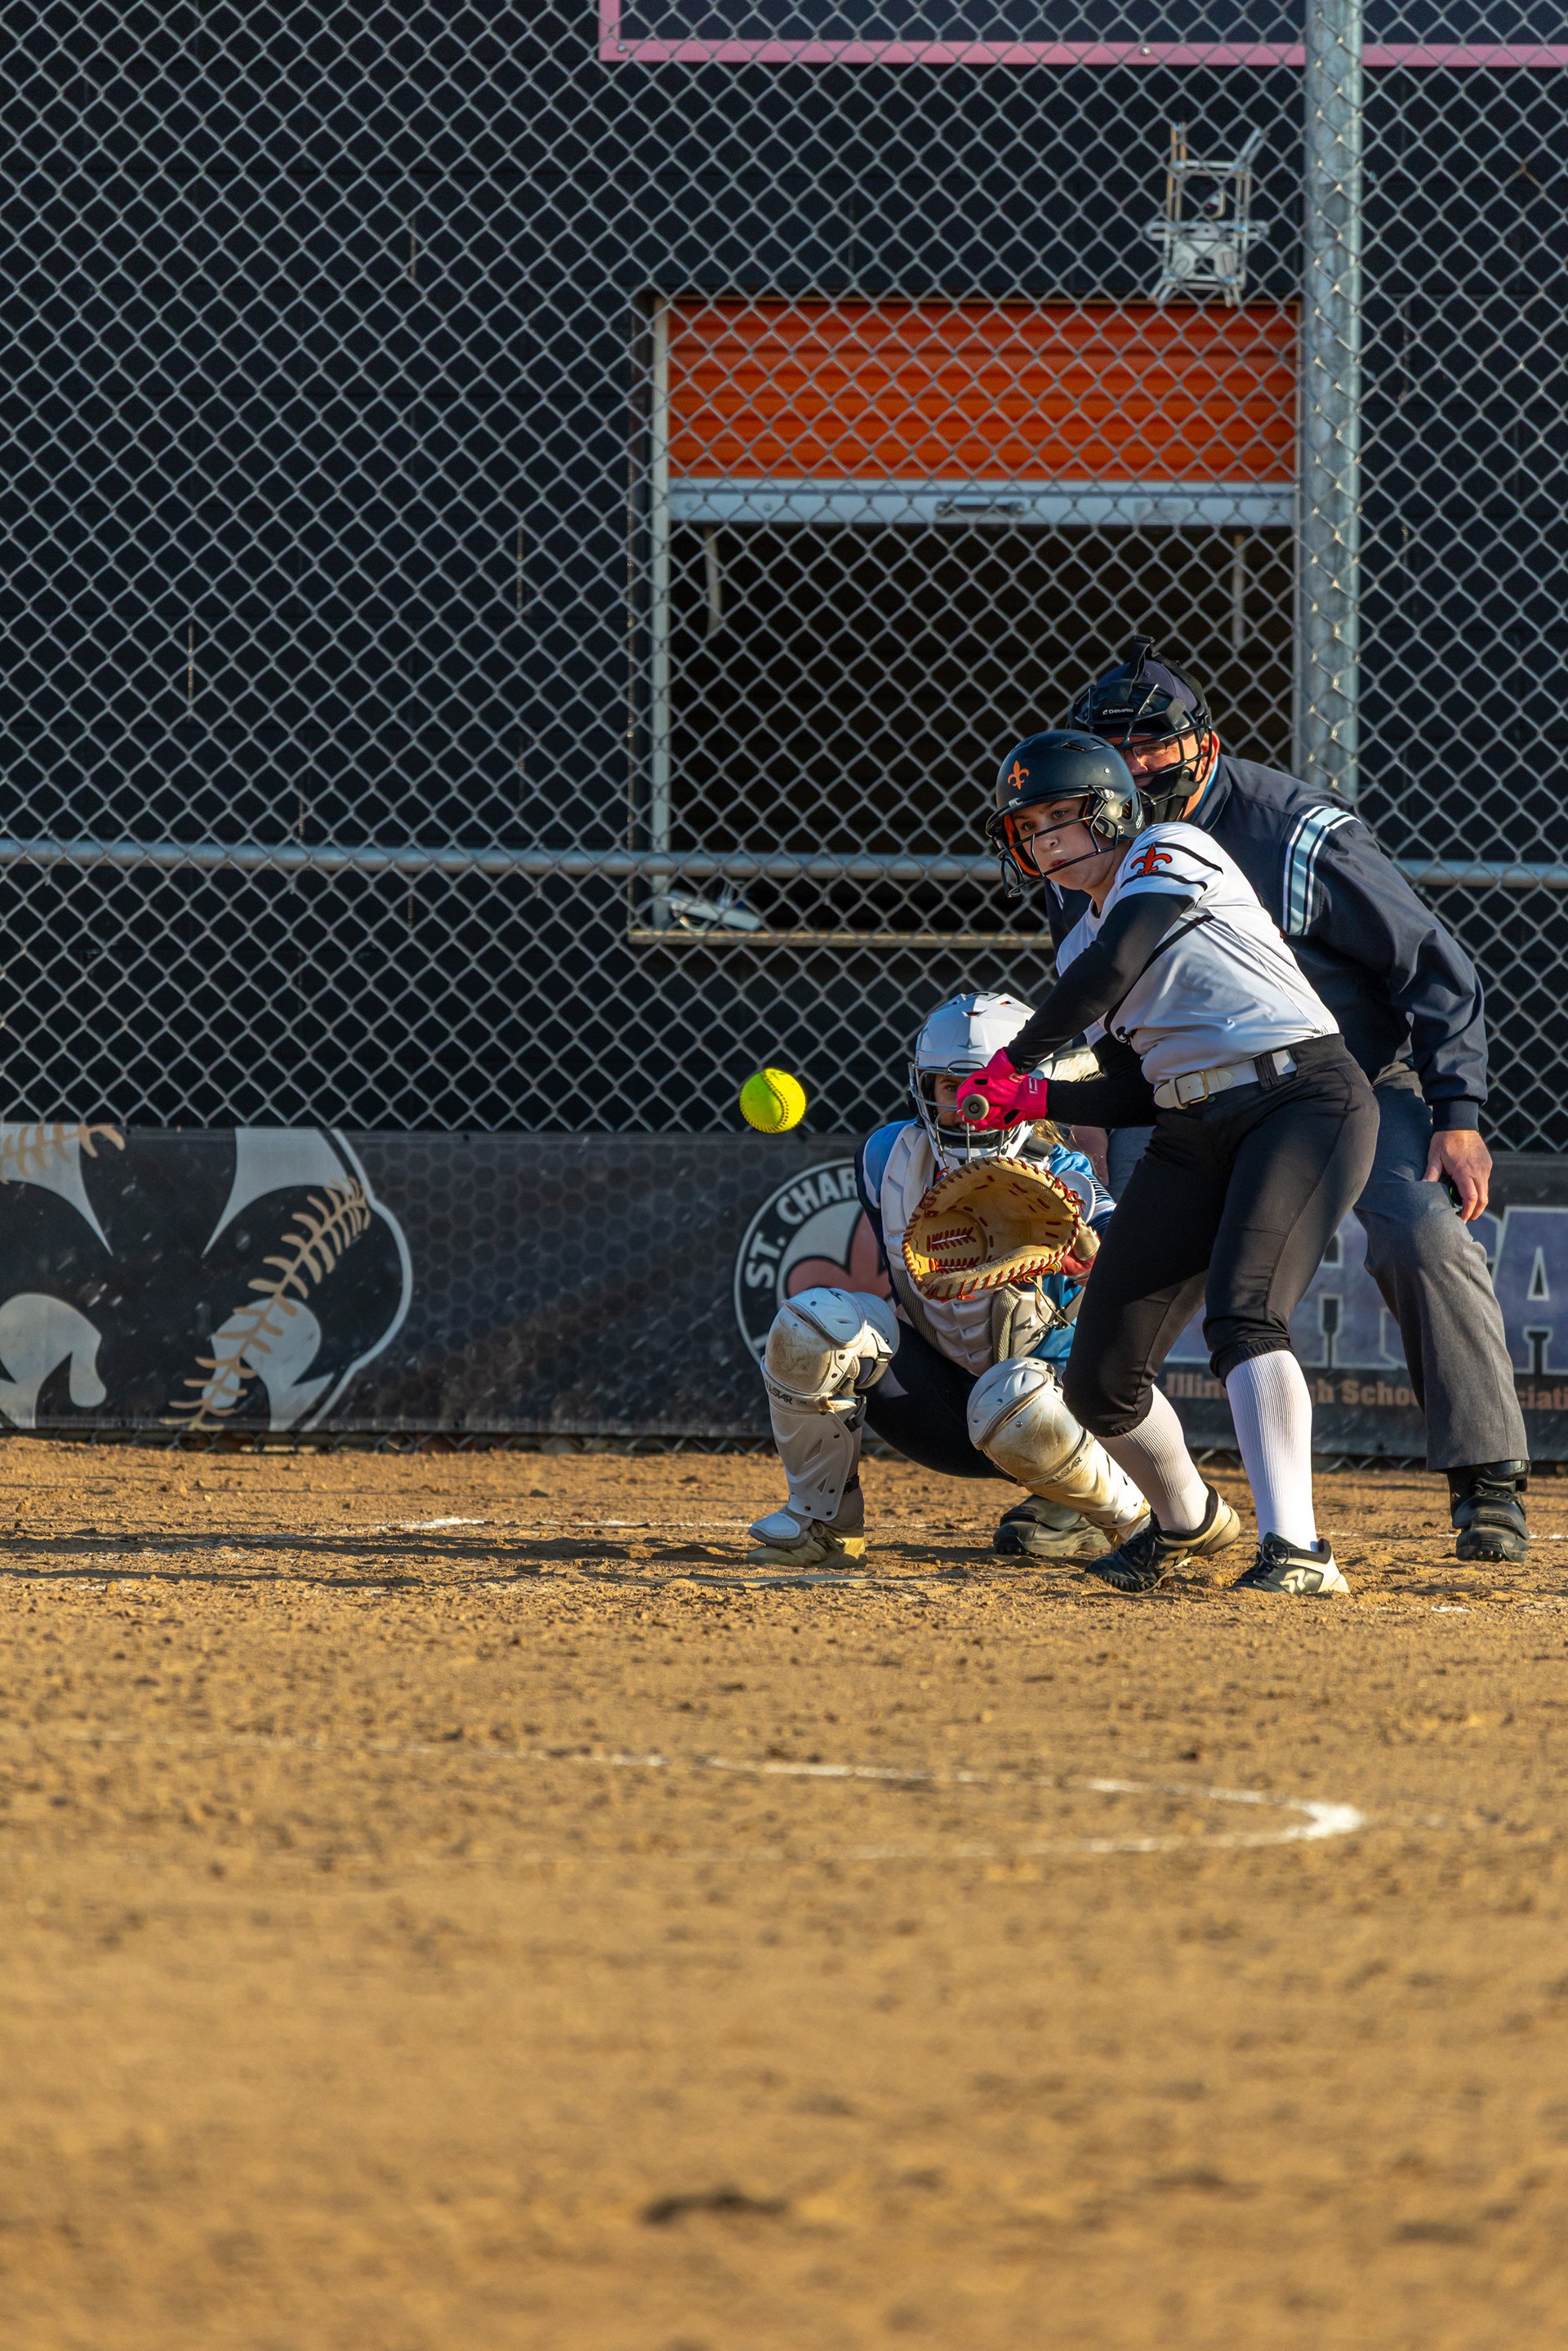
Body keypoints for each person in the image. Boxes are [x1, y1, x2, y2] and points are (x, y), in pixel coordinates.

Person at [1043, 637, 1529, 1566]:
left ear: (1208, 746)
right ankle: (1092, 1481)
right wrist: (1088, 1114)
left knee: (1422, 1231)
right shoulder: (1087, 838)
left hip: (1344, 1080)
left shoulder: (1296, 831)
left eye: (1154, 742)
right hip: (1186, 1094)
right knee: (1112, 1246)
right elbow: (1107, 1004)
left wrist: (1458, 1111)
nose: (1135, 764)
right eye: (1115, 746)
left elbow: (1434, 967)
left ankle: (1487, 1477)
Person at [960, 728, 1380, 1596]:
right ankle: (1187, 1522)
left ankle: (1300, 1550)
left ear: (1113, 811)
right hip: (1191, 1125)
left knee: (1245, 1313)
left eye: (1059, 817)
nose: (1042, 840)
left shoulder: (1170, 847)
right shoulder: (1078, 942)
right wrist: (1032, 1099)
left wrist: (1010, 1065)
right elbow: (1133, 1089)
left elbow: (1118, 963)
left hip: (1300, 1095)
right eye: (1028, 827)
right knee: (1101, 1376)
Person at [746, 991, 1148, 1570]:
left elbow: (1126, 1262)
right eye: (949, 1087)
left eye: (986, 1086)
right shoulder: (886, 1157)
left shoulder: (1065, 1174)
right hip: (944, 1406)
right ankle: (824, 1524)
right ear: (923, 1089)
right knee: (814, 1326)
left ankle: (1140, 1523)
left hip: (1055, 1410)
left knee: (1011, 1393)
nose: (969, 1104)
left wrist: (1089, 1250)